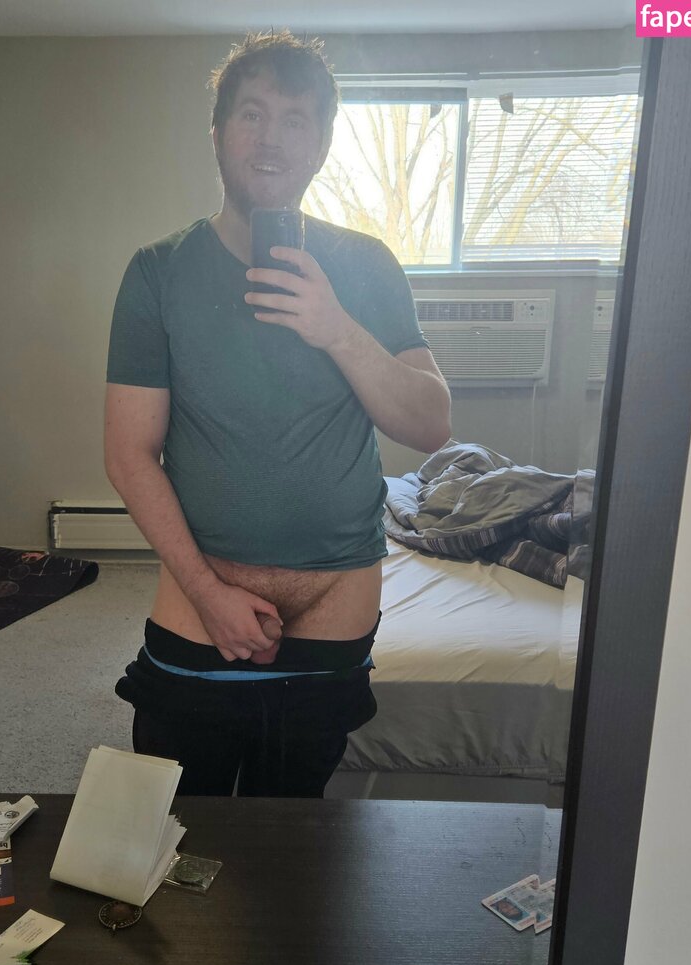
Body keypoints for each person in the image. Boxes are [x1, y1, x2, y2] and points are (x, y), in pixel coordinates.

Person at [104, 30, 451, 797]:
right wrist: (209, 595)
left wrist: (336, 328)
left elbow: (431, 423)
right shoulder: (158, 272)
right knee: (177, 819)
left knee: (295, 829)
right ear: (218, 131)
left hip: (336, 603)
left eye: (296, 120)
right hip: (199, 595)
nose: (272, 138)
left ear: (321, 145)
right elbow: (129, 453)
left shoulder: (366, 266)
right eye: (253, 114)